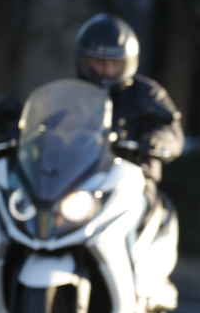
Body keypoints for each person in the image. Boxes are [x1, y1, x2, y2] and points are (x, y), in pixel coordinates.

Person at [75, 13, 184, 205]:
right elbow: (46, 125)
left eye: (115, 63)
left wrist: (155, 141)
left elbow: (171, 132)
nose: (107, 69)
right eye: (99, 62)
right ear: (84, 58)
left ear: (128, 62)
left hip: (134, 184)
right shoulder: (71, 94)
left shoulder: (147, 93)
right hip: (77, 181)